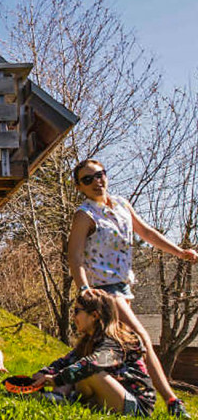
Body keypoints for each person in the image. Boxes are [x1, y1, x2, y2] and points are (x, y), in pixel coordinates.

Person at [69, 159, 198, 417]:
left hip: (124, 287)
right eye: (88, 179)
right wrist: (84, 288)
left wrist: (179, 251)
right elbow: (75, 256)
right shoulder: (85, 215)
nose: (96, 182)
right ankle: (173, 402)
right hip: (103, 290)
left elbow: (147, 233)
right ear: (80, 187)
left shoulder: (122, 205)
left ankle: (74, 389)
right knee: (140, 339)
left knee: (108, 344)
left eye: (99, 175)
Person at [32, 291, 155, 416]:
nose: (73, 317)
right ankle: (57, 396)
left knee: (86, 372)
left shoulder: (116, 343)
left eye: (76, 311)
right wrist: (44, 373)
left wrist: (57, 379)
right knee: (74, 368)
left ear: (94, 316)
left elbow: (92, 364)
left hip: (136, 406)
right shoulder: (88, 341)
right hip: (112, 396)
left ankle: (62, 398)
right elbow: (65, 362)